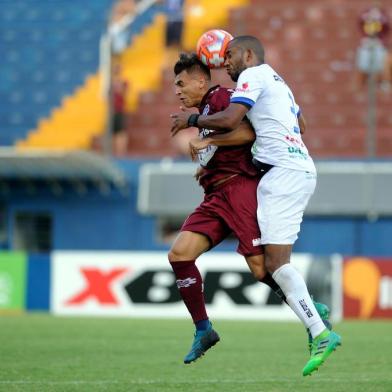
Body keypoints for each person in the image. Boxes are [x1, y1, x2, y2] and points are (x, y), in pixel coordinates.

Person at [170, 36, 341, 376]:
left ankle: (314, 318)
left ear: (201, 78)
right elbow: (297, 122)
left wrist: (199, 131)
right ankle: (204, 329)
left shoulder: (226, 93)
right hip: (218, 195)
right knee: (179, 254)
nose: (176, 90)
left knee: (265, 267)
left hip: (244, 188)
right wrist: (207, 160)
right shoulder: (270, 82)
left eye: (181, 82)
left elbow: (243, 129)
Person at [354, 1, 391, 90]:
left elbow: (387, 28)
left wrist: (382, 40)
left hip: (379, 44)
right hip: (366, 45)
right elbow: (359, 25)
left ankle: (381, 83)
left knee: (381, 65)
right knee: (363, 64)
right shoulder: (365, 14)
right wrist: (364, 38)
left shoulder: (383, 14)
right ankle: (361, 85)